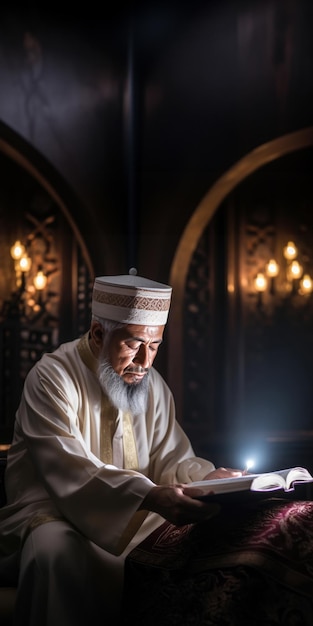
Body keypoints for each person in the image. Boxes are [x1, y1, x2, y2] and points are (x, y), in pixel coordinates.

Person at [0, 271, 242, 625]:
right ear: (99, 334)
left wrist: (209, 480)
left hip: (136, 514)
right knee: (56, 552)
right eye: (133, 344)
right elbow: (69, 469)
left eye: (155, 345)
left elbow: (172, 458)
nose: (145, 360)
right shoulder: (52, 377)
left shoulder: (152, 385)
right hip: (49, 513)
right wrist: (153, 496)